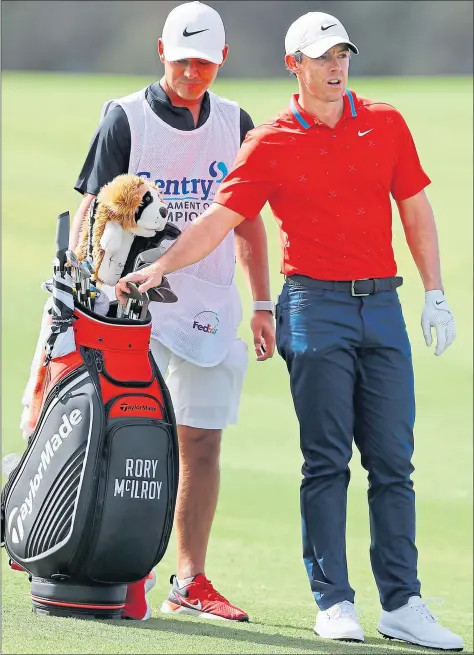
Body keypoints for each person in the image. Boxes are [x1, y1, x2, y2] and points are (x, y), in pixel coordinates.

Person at [117, 10, 464, 651]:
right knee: (327, 461)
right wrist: (159, 266)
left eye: (342, 55)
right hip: (312, 307)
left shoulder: (385, 123)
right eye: (322, 57)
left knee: (393, 463)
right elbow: (220, 222)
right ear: (294, 65)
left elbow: (414, 207)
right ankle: (333, 600)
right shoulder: (271, 141)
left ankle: (404, 603)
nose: (336, 67)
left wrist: (436, 292)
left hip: (381, 305)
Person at [71, 0, 275, 621]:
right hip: (130, 311)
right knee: (116, 437)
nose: (193, 72)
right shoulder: (125, 118)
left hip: (209, 307)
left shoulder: (238, 122)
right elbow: (91, 212)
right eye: (184, 59)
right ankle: (105, 563)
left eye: (206, 62)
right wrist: (84, 291)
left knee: (202, 443)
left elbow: (247, 224)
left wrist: (262, 301)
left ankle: (190, 581)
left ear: (223, 60)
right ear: (162, 52)